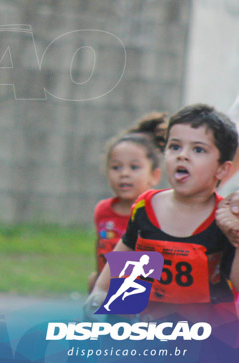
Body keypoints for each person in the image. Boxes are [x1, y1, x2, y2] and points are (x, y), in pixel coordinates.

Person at [86, 104, 239, 322]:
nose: (182, 156)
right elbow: (126, 250)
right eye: (175, 146)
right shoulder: (145, 205)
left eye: (198, 149)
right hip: (153, 327)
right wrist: (101, 290)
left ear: (223, 169)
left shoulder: (225, 217)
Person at [87, 113, 164, 291]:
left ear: (154, 175)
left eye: (134, 167)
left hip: (141, 295)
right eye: (116, 167)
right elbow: (100, 251)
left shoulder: (158, 212)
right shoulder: (103, 210)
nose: (124, 174)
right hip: (107, 291)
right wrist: (97, 282)